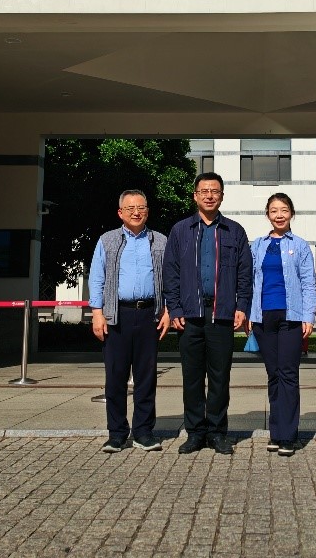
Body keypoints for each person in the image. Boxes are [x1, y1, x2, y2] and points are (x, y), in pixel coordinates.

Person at [163, 172, 252, 455]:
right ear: (195, 196)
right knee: (191, 378)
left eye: (215, 191)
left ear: (222, 196)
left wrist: (242, 306)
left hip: (221, 314)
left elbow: (245, 274)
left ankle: (217, 432)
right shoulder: (180, 230)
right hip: (189, 315)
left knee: (219, 378)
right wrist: (174, 307)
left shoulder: (234, 231)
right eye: (204, 191)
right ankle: (195, 433)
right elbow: (171, 272)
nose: (210, 196)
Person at [88, 189, 170, 453]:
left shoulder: (160, 241)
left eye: (141, 207)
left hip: (149, 315)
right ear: (120, 212)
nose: (136, 212)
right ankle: (116, 433)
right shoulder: (107, 240)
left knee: (146, 376)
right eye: (130, 208)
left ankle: (143, 432)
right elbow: (97, 278)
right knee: (115, 377)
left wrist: (168, 310)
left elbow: (171, 279)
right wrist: (97, 313)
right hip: (117, 315)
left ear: (148, 211)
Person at [249, 193, 316, 457]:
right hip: (263, 317)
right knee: (273, 374)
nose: (279, 215)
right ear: (267, 214)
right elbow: (248, 280)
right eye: (274, 210)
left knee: (288, 374)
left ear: (291, 214)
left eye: (284, 210)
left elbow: (308, 283)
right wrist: (248, 314)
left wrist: (308, 316)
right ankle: (275, 432)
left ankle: (288, 435)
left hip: (291, 317)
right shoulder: (257, 245)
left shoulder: (300, 246)